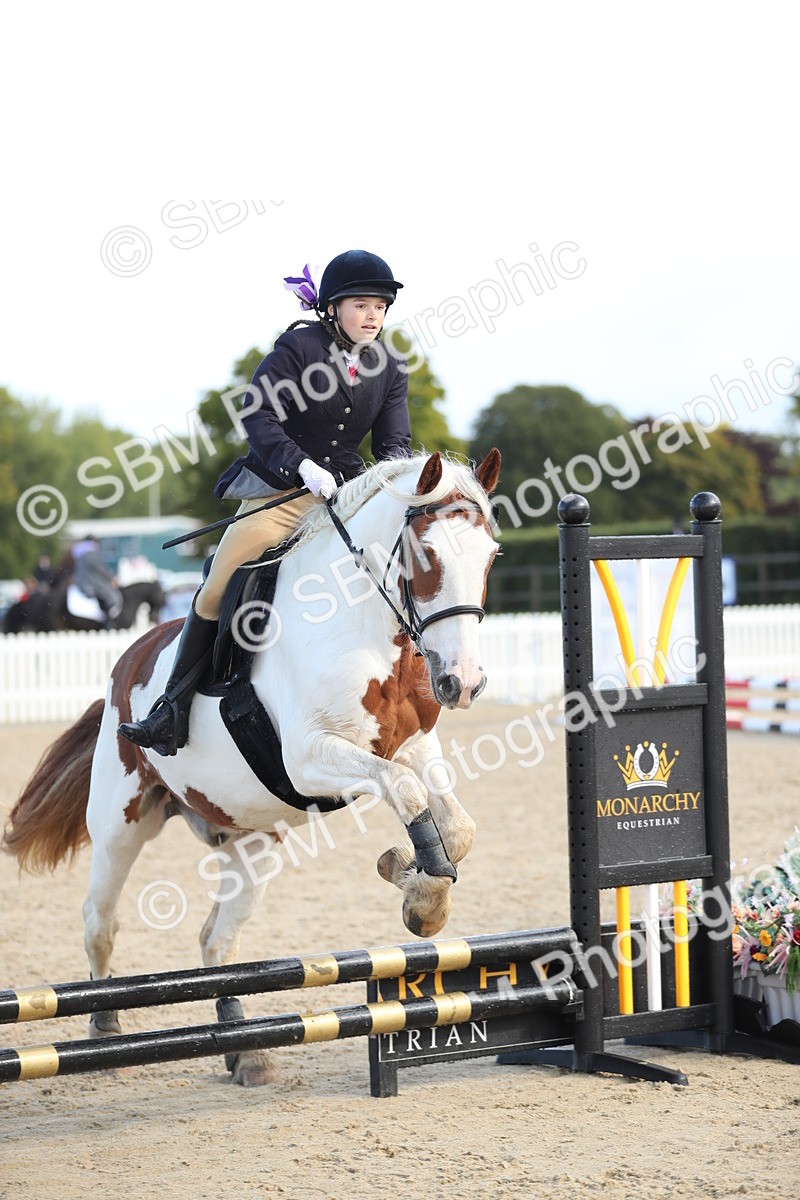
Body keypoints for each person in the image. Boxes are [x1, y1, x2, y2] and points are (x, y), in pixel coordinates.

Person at [119, 249, 411, 755]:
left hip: (347, 494)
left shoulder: (390, 368)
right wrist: (300, 465)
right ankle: (171, 707)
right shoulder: (298, 348)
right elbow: (258, 415)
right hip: (283, 492)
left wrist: (397, 489)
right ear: (333, 308)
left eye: (380, 307)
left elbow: (393, 447)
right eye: (361, 304)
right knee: (219, 581)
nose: (372, 316)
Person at [71, 536, 123, 619]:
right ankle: (110, 618)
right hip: (91, 583)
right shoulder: (91, 554)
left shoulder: (81, 555)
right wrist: (111, 578)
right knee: (114, 595)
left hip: (82, 582)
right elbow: (100, 569)